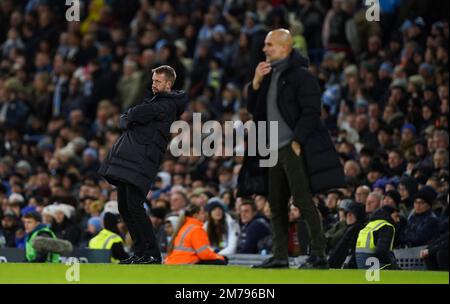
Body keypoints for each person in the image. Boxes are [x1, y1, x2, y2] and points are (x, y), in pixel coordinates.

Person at [245, 28, 346, 269]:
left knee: (302, 201)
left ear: (284, 47)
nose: (264, 49)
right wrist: (256, 83)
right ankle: (280, 256)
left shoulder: (302, 75)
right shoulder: (269, 75)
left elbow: (312, 112)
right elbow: (255, 110)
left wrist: (297, 141)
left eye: (269, 44)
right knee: (277, 205)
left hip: (291, 148)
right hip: (272, 148)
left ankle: (319, 254)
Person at [98, 65, 188, 264]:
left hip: (141, 161)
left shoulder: (165, 105)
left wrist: (130, 117)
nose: (153, 84)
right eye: (153, 80)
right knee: (125, 206)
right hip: (133, 161)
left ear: (168, 84)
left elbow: (130, 117)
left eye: (158, 81)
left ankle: (152, 254)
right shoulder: (157, 103)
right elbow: (126, 119)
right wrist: (129, 117)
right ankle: (140, 252)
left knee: (134, 206)